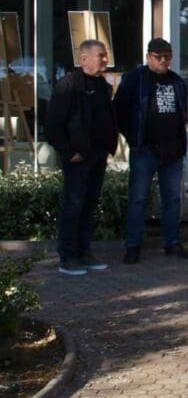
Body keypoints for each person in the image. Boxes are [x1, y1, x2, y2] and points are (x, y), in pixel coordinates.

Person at [45, 39, 118, 275]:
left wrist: (108, 147)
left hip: (98, 155)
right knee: (73, 204)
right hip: (78, 157)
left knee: (89, 205)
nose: (105, 59)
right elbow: (53, 124)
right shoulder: (69, 85)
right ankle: (67, 257)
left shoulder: (103, 85)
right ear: (84, 59)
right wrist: (69, 152)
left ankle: (84, 252)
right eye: (100, 55)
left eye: (105, 55)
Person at [114, 37, 188, 264]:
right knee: (138, 198)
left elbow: (182, 113)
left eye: (168, 56)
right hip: (145, 149)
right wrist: (133, 139)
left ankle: (172, 241)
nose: (164, 61)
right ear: (148, 57)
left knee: (172, 198)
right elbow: (119, 110)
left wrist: (180, 144)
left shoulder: (177, 81)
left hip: (172, 151)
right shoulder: (135, 79)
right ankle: (133, 245)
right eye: (159, 57)